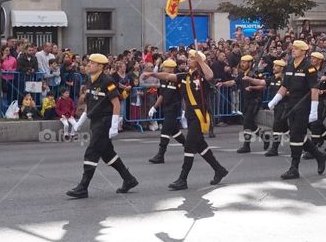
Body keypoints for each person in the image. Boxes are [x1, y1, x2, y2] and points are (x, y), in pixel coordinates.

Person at [141, 50, 228, 189]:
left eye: (192, 58)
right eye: (190, 58)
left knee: (189, 146)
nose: (188, 60)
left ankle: (183, 179)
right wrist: (151, 74)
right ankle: (219, 169)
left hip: (200, 116)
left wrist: (201, 61)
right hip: (190, 115)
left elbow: (210, 75)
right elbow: (168, 75)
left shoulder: (201, 76)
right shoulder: (184, 76)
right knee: (200, 145)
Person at [66, 53, 138, 199]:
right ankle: (129, 179)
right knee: (107, 154)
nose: (88, 65)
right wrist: (80, 122)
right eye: (88, 63)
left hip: (104, 121)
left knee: (91, 152)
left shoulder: (107, 81)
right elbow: (91, 103)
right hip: (95, 121)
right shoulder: (89, 79)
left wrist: (114, 125)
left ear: (100, 66)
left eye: (91, 63)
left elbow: (116, 103)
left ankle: (83, 187)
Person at [266, 40, 326, 179]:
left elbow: (314, 89)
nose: (293, 50)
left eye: (296, 48)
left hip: (304, 105)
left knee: (295, 134)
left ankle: (294, 167)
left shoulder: (309, 67)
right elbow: (284, 86)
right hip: (291, 104)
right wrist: (275, 100)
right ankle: (319, 155)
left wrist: (313, 109)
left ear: (304, 51)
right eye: (293, 48)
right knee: (296, 133)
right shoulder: (289, 66)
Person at [147, 59, 187, 164]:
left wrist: (184, 110)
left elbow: (184, 95)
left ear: (170, 68)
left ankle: (161, 155)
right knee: (174, 131)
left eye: (165, 67)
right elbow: (162, 94)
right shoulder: (163, 79)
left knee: (165, 130)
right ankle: (188, 146)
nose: (163, 69)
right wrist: (154, 107)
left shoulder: (177, 79)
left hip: (174, 108)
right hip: (166, 107)